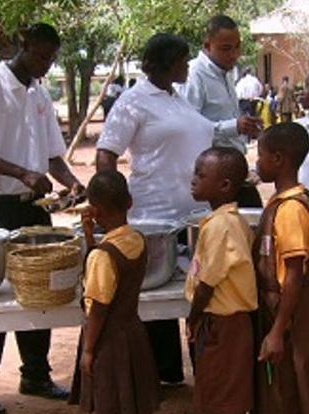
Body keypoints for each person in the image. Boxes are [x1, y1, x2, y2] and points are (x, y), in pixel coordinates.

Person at [0, 23, 82, 414]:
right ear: (22, 46)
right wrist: (21, 174)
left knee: (39, 290)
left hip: (35, 206)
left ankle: (36, 374)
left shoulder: (38, 92)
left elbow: (50, 155)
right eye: (41, 56)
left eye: (51, 58)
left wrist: (75, 184)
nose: (46, 65)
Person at [96, 33, 213, 384]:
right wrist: (113, 205)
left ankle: (204, 366)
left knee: (199, 289)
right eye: (182, 60)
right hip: (154, 213)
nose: (187, 66)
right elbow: (106, 154)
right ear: (164, 64)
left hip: (193, 213)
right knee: (155, 297)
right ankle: (165, 374)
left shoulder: (177, 98)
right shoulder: (134, 101)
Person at [252, 122, 309, 414]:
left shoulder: (291, 211)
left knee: (299, 386)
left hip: (292, 311)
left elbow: (295, 274)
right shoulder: (278, 204)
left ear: (279, 158)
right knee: (279, 388)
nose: (257, 162)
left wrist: (278, 330)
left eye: (260, 155)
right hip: (278, 308)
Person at [69, 171, 160, 414]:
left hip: (110, 340)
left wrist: (88, 350)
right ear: (130, 202)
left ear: (94, 211)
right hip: (134, 331)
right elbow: (104, 266)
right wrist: (90, 238)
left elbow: (98, 308)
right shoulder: (137, 239)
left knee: (124, 407)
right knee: (137, 400)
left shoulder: (103, 256)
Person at [185, 147, 258, 414]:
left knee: (230, 399)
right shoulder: (230, 220)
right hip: (229, 323)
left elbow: (207, 284)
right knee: (229, 394)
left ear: (224, 185)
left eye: (201, 175)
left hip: (225, 324)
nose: (193, 180)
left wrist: (194, 317)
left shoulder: (221, 226)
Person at [179, 14, 263, 208]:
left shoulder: (225, 73)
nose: (234, 54)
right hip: (213, 179)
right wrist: (234, 126)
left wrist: (244, 127)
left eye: (237, 47)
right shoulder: (194, 74)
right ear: (207, 45)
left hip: (233, 170)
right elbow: (189, 126)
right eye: (226, 48)